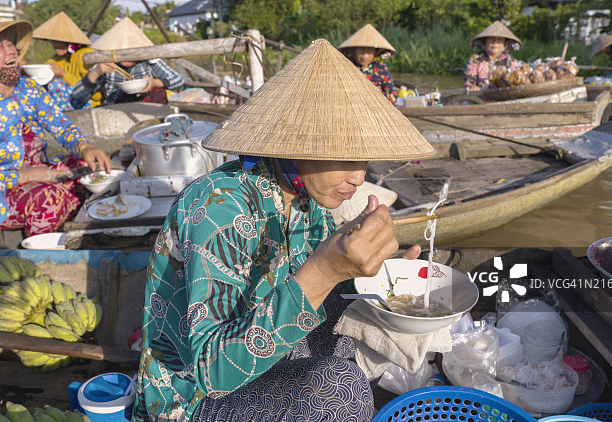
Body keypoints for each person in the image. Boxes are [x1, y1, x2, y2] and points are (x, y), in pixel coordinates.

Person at [133, 39, 436, 422]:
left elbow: (319, 295)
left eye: (365, 158)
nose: (359, 177)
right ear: (293, 145)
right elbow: (212, 373)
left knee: (352, 329)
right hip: (193, 398)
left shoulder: (308, 198)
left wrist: (382, 271)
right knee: (340, 387)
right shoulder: (217, 208)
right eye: (344, 157)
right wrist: (325, 269)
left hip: (258, 355)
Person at [0, 20, 112, 236]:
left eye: (10, 44)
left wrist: (84, 146)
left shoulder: (28, 88)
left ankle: (70, 230)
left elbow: (60, 125)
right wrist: (26, 176)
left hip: (39, 174)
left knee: (86, 166)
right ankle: (38, 255)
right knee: (49, 198)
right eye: (0, 46)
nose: (11, 51)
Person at [70, 18, 183, 108]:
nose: (129, 56)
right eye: (123, 51)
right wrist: (95, 73)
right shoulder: (106, 64)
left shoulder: (148, 60)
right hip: (116, 110)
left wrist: (154, 83)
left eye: (133, 50)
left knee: (158, 92)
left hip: (146, 110)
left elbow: (178, 81)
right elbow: (77, 98)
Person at [32, 12, 102, 110]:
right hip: (63, 106)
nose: (54, 43)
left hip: (88, 104)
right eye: (51, 39)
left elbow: (96, 95)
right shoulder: (54, 60)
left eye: (58, 40)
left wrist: (64, 74)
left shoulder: (86, 56)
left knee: (55, 84)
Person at [338, 23, 399, 103]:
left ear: (375, 52)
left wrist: (377, 95)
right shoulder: (346, 65)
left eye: (369, 50)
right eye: (361, 49)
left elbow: (393, 97)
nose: (364, 54)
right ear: (354, 50)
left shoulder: (381, 69)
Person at [463, 21, 524, 91]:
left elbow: (515, 83)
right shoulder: (475, 59)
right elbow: (468, 83)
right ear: (485, 42)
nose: (495, 43)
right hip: (479, 96)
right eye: (491, 39)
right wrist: (473, 88)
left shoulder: (511, 61)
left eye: (499, 39)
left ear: (505, 43)